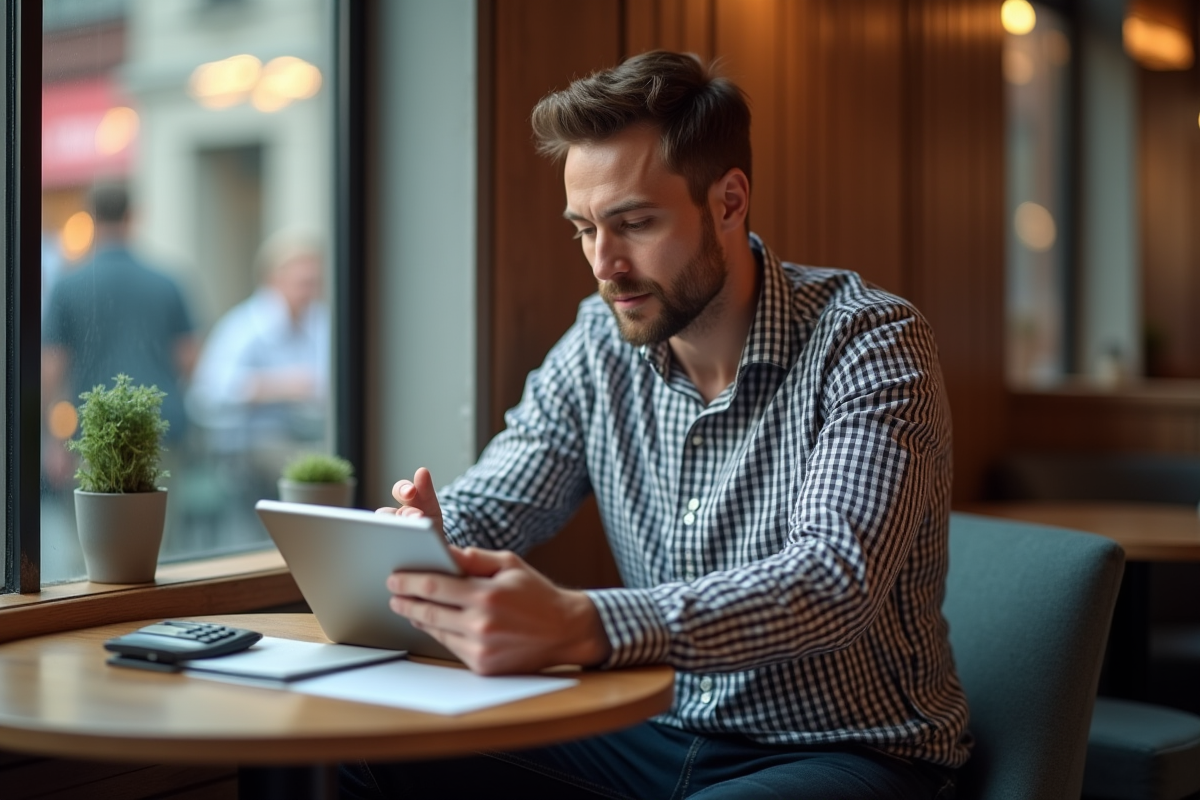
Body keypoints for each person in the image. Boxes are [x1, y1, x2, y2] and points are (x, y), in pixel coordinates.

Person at [349, 51, 969, 799]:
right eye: (583, 230)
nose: (604, 264)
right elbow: (505, 494)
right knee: (365, 746)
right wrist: (429, 535)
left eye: (634, 223)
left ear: (729, 201)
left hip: (848, 750)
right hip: (652, 725)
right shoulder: (598, 340)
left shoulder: (869, 340)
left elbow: (832, 580)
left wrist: (587, 624)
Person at [42, 182, 198, 486]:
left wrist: (55, 438)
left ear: (90, 216)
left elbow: (51, 370)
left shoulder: (68, 285)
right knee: (156, 529)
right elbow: (190, 358)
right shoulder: (168, 281)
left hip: (92, 431)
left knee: (95, 530)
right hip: (159, 427)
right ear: (132, 216)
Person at [187, 232, 330, 474]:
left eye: (315, 283)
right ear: (274, 279)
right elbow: (208, 391)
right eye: (303, 283)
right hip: (252, 447)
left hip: (309, 435)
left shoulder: (320, 322)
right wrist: (279, 387)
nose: (310, 291)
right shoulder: (244, 326)